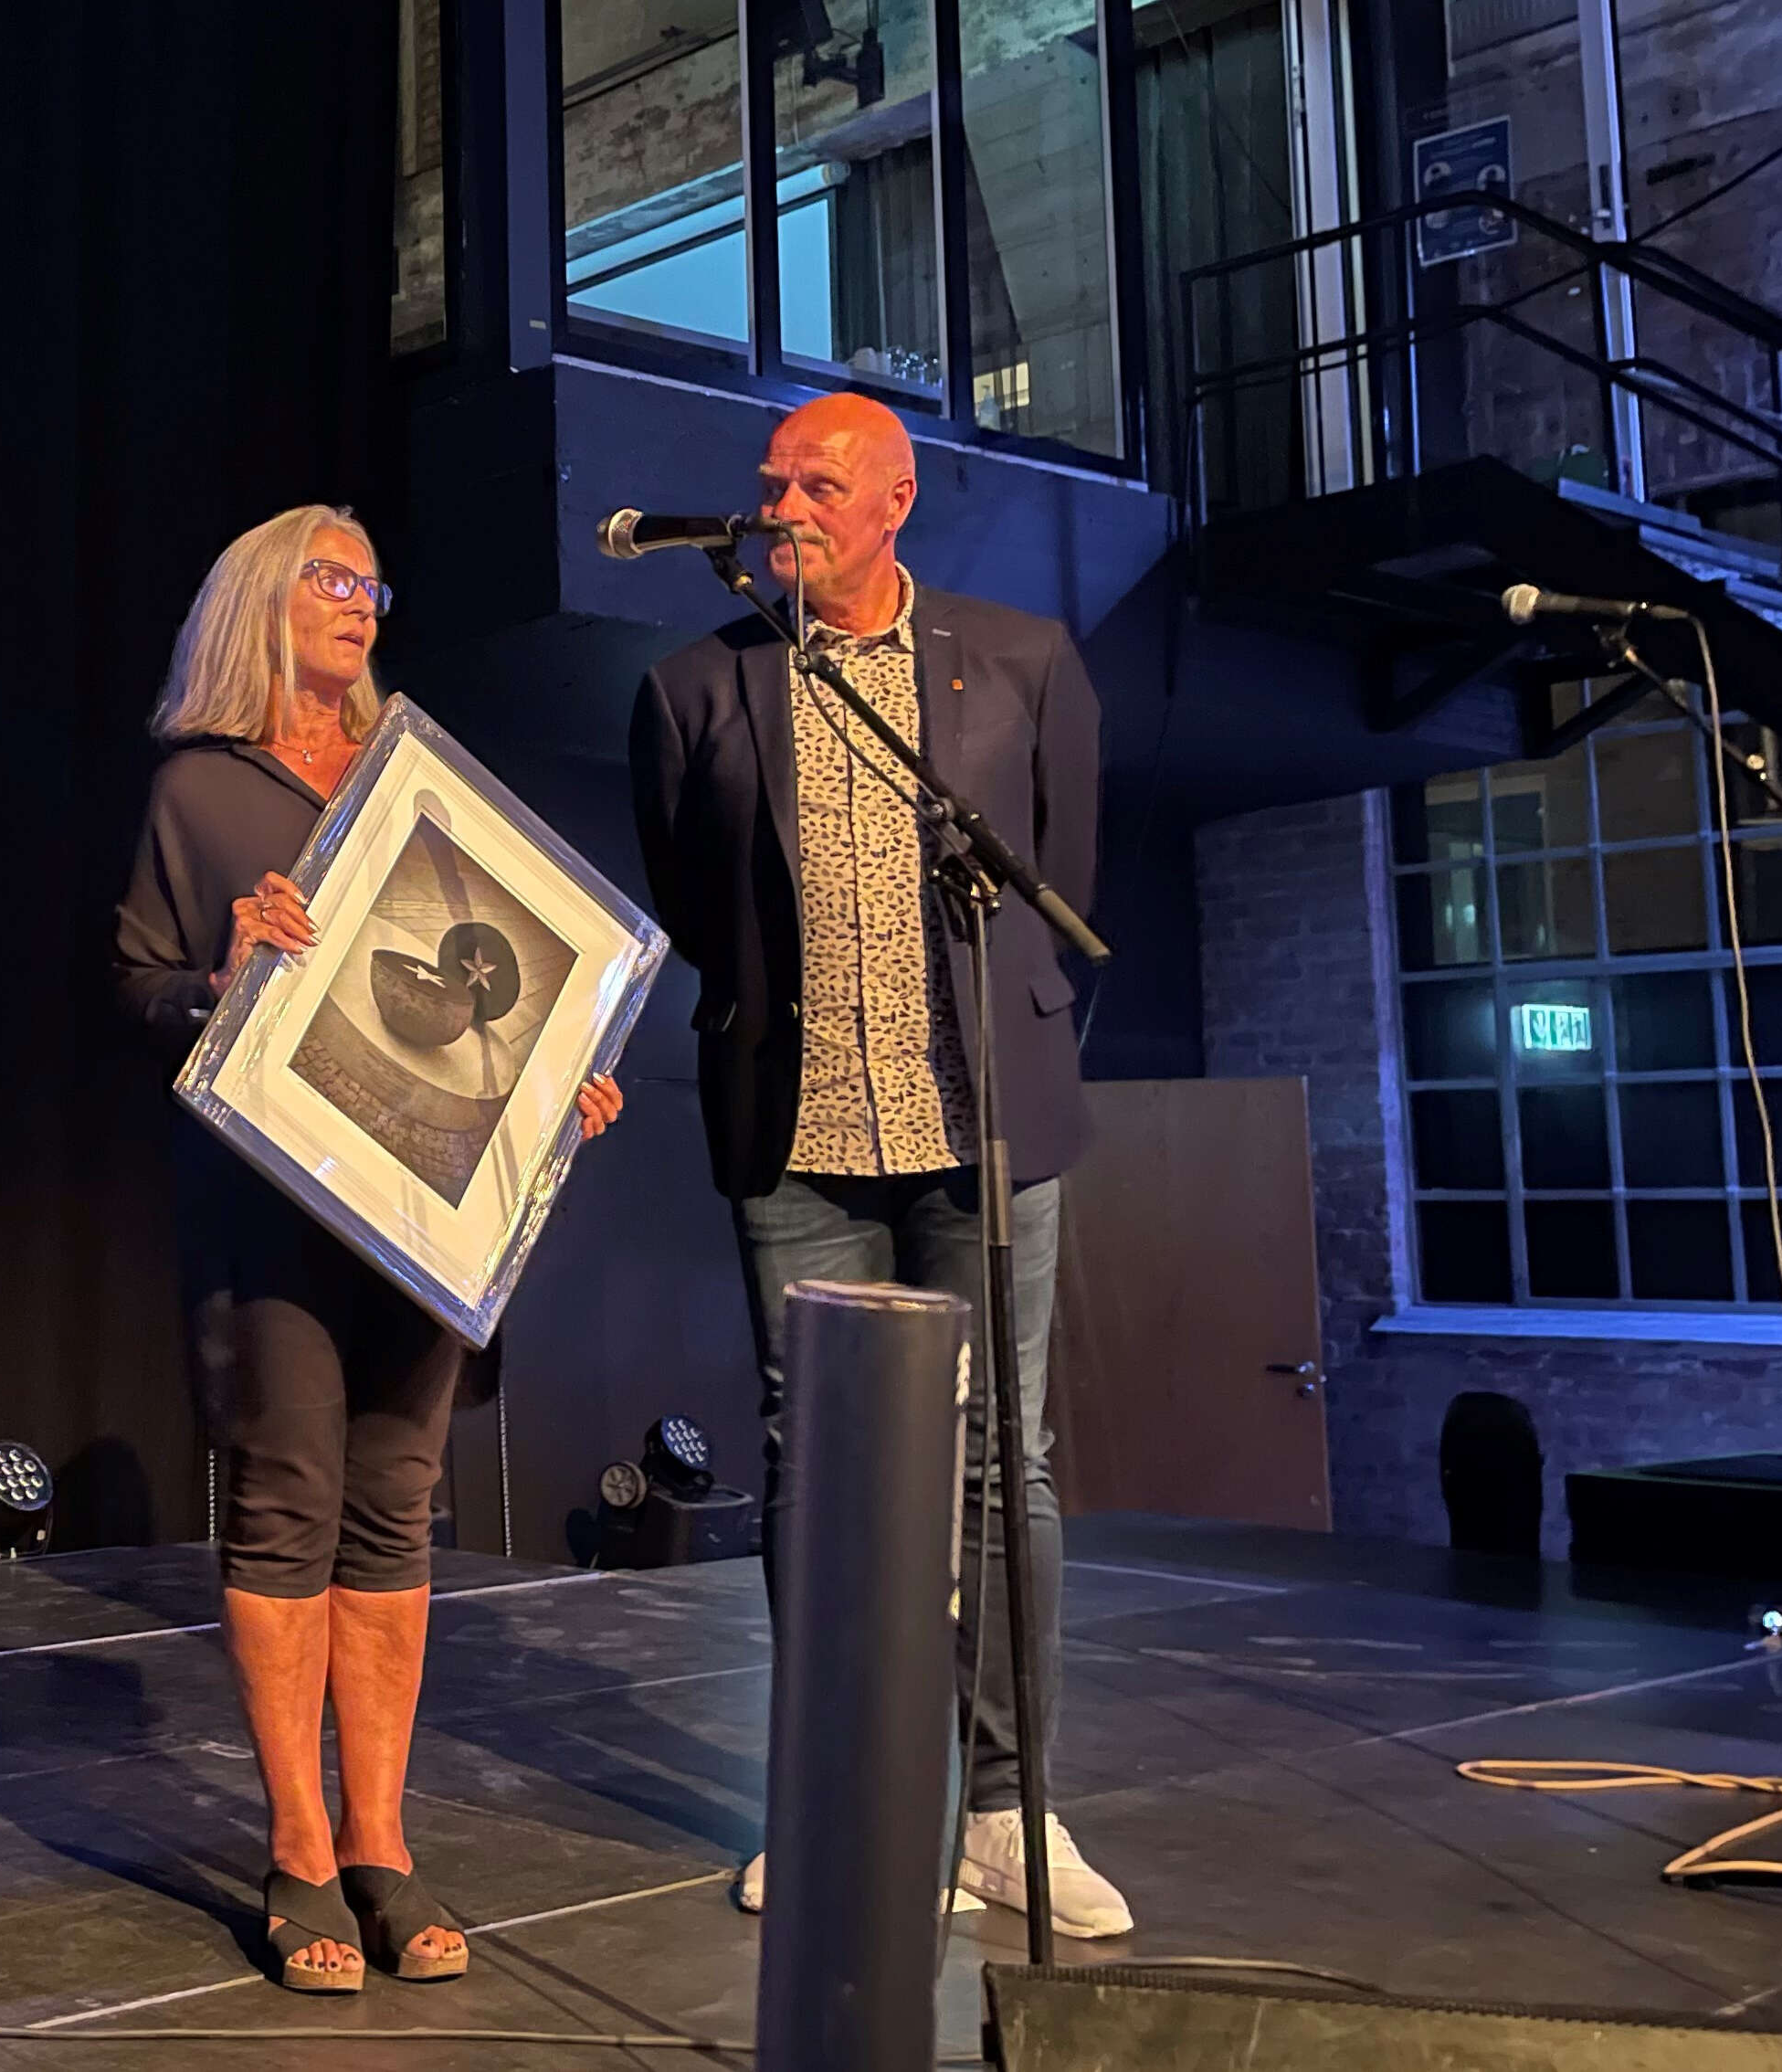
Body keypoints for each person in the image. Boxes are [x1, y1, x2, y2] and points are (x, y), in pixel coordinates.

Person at [626, 393, 1132, 1939]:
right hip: (801, 1142)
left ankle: (1006, 1816)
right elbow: (697, 909)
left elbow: (1059, 879)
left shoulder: (1022, 660)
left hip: (981, 1127)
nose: (783, 508)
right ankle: (846, 1811)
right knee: (820, 1469)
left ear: (895, 500)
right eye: (773, 484)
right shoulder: (694, 688)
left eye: (818, 486)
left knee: (1001, 1469)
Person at [116, 506, 627, 1993]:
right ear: (260, 601)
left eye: (372, 583)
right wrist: (217, 976)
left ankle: (382, 1844)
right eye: (329, 579)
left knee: (397, 1509)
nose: (360, 603)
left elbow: (503, 993)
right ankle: (298, 1851)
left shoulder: (422, 785)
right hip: (271, 1199)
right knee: (287, 1504)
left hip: (427, 1219)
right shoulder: (200, 789)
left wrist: (558, 1086)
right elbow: (138, 981)